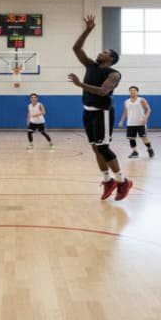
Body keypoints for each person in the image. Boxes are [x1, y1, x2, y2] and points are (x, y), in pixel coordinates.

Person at [67, 14, 132, 201]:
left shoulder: (114, 74)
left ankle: (122, 181)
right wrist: (87, 30)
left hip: (103, 113)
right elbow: (76, 48)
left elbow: (103, 92)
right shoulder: (91, 65)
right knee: (96, 148)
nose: (100, 53)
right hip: (88, 112)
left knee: (103, 148)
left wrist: (80, 85)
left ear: (110, 58)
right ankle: (108, 180)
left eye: (104, 52)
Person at [117, 86, 154, 158]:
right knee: (131, 138)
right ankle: (135, 152)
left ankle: (150, 149)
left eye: (134, 90)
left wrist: (146, 117)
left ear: (137, 92)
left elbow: (148, 109)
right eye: (131, 90)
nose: (132, 91)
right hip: (130, 123)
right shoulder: (126, 101)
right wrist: (121, 121)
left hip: (140, 123)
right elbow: (125, 112)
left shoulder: (141, 100)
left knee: (144, 138)